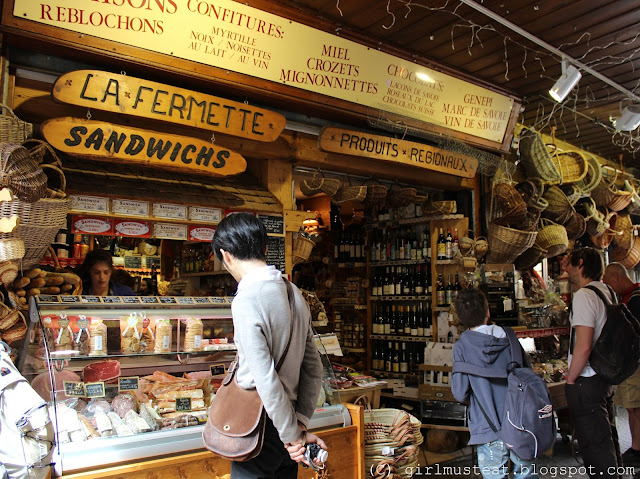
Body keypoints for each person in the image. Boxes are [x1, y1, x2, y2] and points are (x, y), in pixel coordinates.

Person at [211, 212, 325, 478]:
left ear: (226, 255)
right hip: (289, 425)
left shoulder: (246, 299)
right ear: (264, 248)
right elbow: (314, 367)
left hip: (259, 428)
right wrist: (299, 424)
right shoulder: (292, 291)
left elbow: (264, 379)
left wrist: (291, 437)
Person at [451, 288, 538, 479]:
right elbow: (528, 376)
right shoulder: (511, 338)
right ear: (488, 311)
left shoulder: (462, 347)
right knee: (526, 475)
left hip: (487, 426)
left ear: (460, 318)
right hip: (520, 424)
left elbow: (459, 393)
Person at [565, 248, 622, 478]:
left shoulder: (584, 296)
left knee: (595, 445)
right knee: (606, 438)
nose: (566, 269)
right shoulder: (606, 291)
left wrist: (570, 379)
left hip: (587, 380)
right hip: (604, 377)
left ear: (580, 264)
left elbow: (584, 345)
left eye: (569, 264)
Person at [603, 262, 640, 466]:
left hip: (635, 364)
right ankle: (636, 448)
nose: (610, 287)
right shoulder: (632, 297)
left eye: (609, 282)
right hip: (633, 364)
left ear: (616, 277)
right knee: (633, 408)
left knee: (636, 408)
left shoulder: (634, 300)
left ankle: (637, 450)